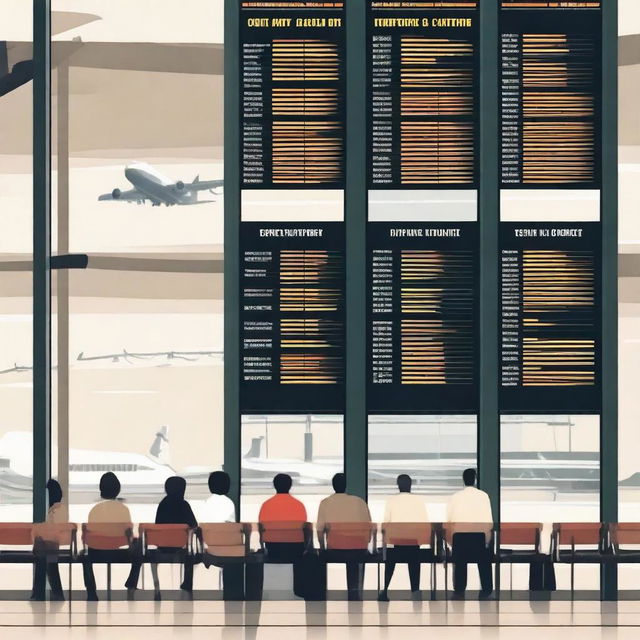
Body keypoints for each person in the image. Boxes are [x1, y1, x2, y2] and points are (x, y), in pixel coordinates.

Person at [82, 472, 142, 601]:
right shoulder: (123, 509)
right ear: (118, 490)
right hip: (119, 552)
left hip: (96, 553)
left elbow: (87, 536)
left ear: (101, 489)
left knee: (85, 556)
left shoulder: (95, 510)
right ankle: (131, 582)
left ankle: (91, 592)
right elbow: (128, 532)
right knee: (139, 546)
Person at [316, 472, 371, 600]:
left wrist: (323, 548)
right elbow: (368, 526)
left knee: (319, 558)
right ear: (346, 485)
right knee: (353, 558)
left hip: (335, 549)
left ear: (333, 486)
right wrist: (365, 543)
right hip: (358, 549)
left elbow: (320, 529)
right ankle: (354, 592)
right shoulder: (359, 502)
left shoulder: (325, 503)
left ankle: (322, 593)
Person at [378, 474, 429, 601]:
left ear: (398, 486)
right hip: (413, 545)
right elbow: (425, 524)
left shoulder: (391, 501)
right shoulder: (418, 501)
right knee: (414, 560)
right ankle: (415, 590)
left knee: (390, 562)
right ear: (410, 485)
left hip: (396, 545)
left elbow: (385, 525)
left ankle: (385, 590)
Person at [446, 468, 493, 599]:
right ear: (475, 479)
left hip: (460, 540)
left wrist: (450, 542)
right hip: (478, 540)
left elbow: (449, 521)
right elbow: (489, 523)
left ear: (463, 480)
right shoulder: (483, 496)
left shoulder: (455, 497)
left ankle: (459, 589)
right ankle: (486, 589)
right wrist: (487, 541)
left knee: (460, 563)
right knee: (484, 562)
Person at [258, 474, 308, 597]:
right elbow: (304, 529)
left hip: (273, 550)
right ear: (290, 486)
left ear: (274, 486)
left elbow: (261, 530)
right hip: (295, 551)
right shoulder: (299, 505)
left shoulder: (266, 505)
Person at [154, 476, 198, 593]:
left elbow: (157, 524)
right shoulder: (184, 505)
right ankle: (187, 583)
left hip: (162, 547)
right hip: (180, 547)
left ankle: (157, 585)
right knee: (190, 555)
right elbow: (194, 525)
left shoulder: (162, 505)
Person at [31, 479, 68, 601]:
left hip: (49, 548)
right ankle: (56, 594)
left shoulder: (52, 512)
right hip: (54, 548)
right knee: (48, 560)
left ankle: (38, 593)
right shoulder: (61, 510)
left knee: (42, 555)